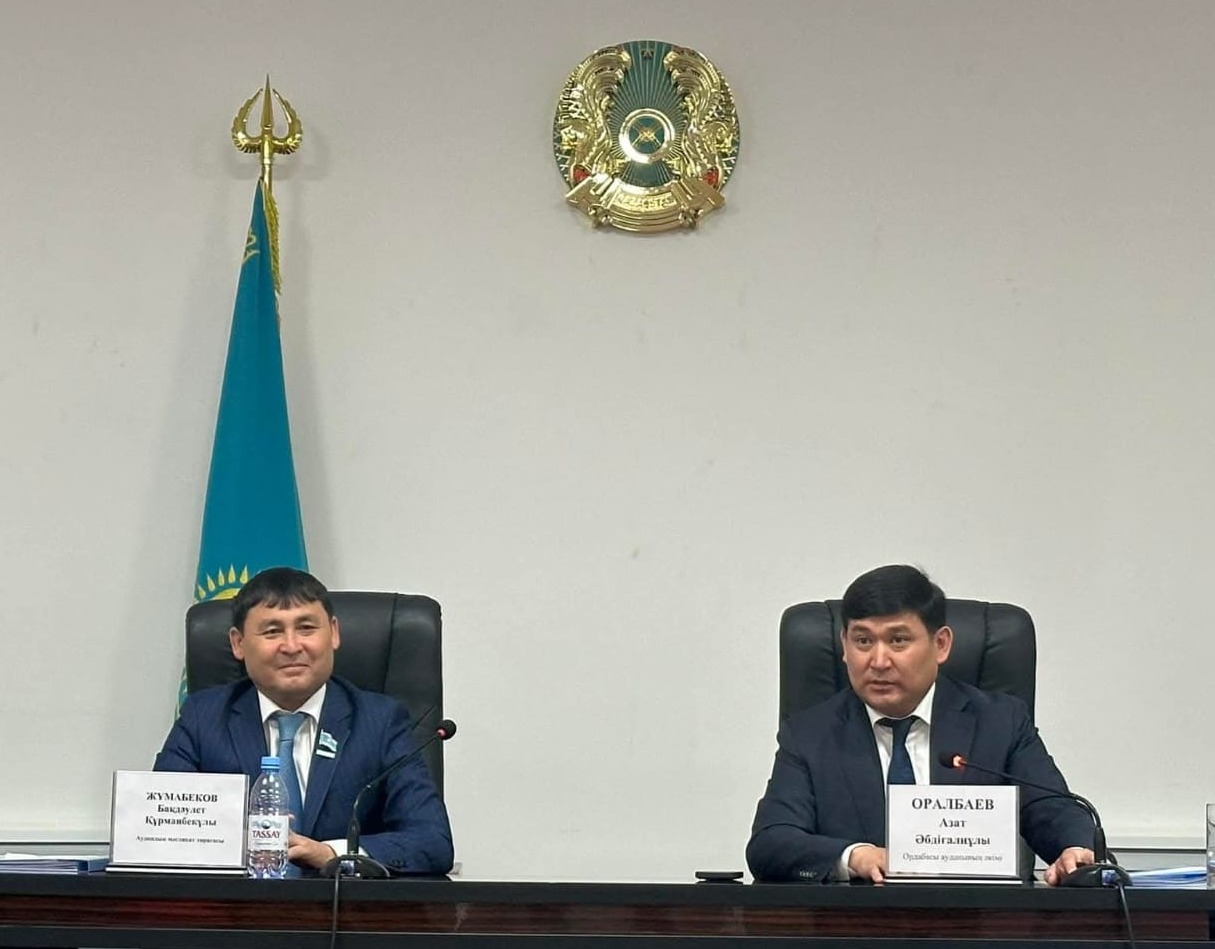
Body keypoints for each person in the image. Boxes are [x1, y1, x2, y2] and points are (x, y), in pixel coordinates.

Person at [746, 564, 1095, 885]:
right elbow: (770, 843)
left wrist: (1073, 849)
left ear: (940, 645)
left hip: (974, 920)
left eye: (898, 640)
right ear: (844, 646)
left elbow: (1053, 810)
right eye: (863, 641)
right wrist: (854, 856)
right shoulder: (809, 734)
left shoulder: (1000, 722)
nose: (879, 661)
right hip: (854, 922)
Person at [155, 567, 454, 875]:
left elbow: (432, 841)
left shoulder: (380, 722)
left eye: (307, 628)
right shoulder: (203, 717)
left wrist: (332, 854)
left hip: (341, 903)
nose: (292, 646)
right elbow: (160, 828)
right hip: (233, 903)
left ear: (334, 633)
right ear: (238, 643)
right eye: (272, 632)